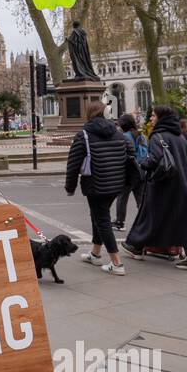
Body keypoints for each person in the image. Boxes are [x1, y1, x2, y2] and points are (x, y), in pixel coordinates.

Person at [123, 105, 187, 271]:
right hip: (183, 184)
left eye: (153, 116)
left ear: (161, 118)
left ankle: (136, 245)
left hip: (163, 184)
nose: (151, 118)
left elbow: (154, 160)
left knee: (151, 215)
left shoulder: (158, 136)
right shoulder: (180, 136)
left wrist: (140, 163)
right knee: (184, 218)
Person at [65, 99, 132, 275]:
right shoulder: (118, 133)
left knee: (102, 220)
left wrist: (70, 187)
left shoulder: (84, 135)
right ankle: (95, 253)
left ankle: (117, 263)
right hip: (116, 185)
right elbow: (129, 154)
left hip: (95, 185)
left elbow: (73, 164)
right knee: (98, 215)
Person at [113, 114, 148, 230]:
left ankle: (119, 222)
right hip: (141, 170)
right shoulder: (141, 135)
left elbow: (124, 155)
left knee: (122, 197)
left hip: (129, 171)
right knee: (141, 199)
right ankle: (146, 220)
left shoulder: (125, 136)